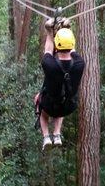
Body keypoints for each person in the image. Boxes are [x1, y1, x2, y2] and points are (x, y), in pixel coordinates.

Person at [34, 18, 85, 150]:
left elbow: (48, 49)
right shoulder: (80, 64)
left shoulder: (49, 64)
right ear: (72, 42)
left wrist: (49, 31)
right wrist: (67, 29)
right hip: (68, 107)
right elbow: (72, 48)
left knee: (40, 106)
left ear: (58, 44)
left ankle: (46, 137)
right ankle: (57, 134)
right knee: (63, 99)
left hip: (50, 106)